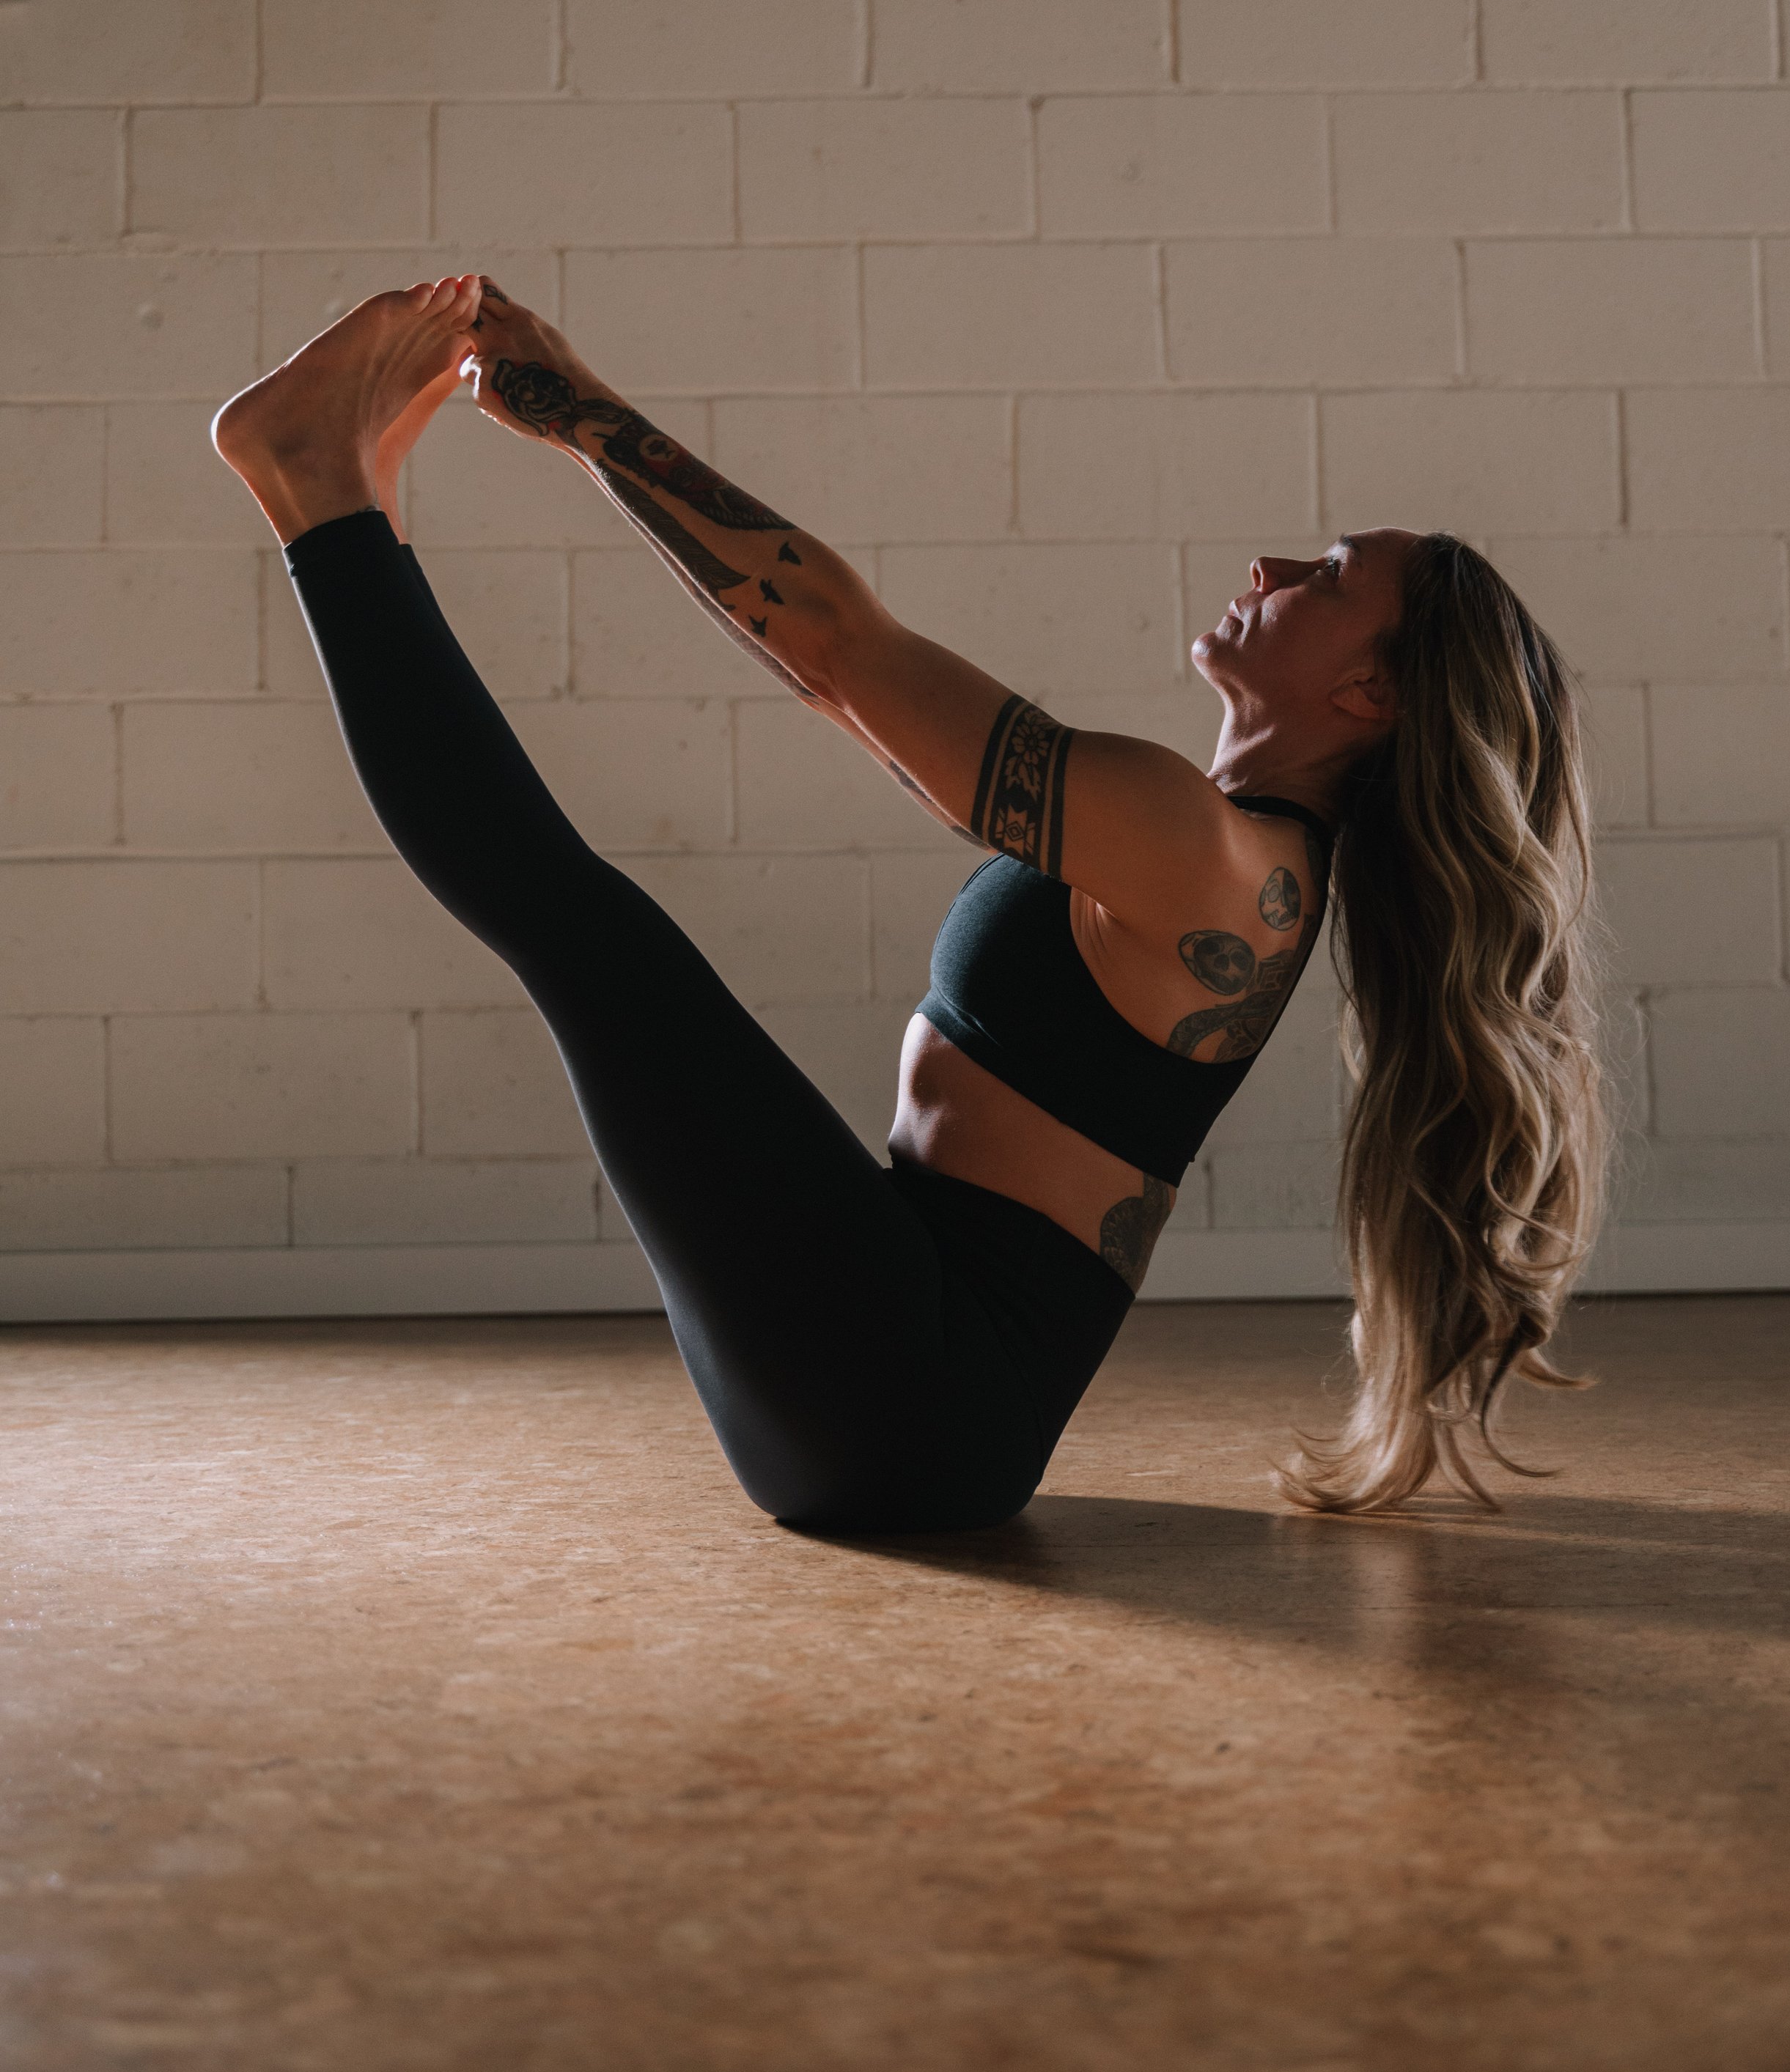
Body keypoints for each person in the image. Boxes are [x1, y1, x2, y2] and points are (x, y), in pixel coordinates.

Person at [213, 274, 1604, 1530]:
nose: (1273, 570)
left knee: (591, 934)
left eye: (1329, 577)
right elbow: (829, 676)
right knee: (588, 934)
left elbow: (836, 640)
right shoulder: (1228, 850)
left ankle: (322, 492)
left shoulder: (1210, 851)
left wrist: (586, 413)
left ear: (1370, 689)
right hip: (902, 1393)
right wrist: (578, 423)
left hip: (906, 1395)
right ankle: (342, 508)